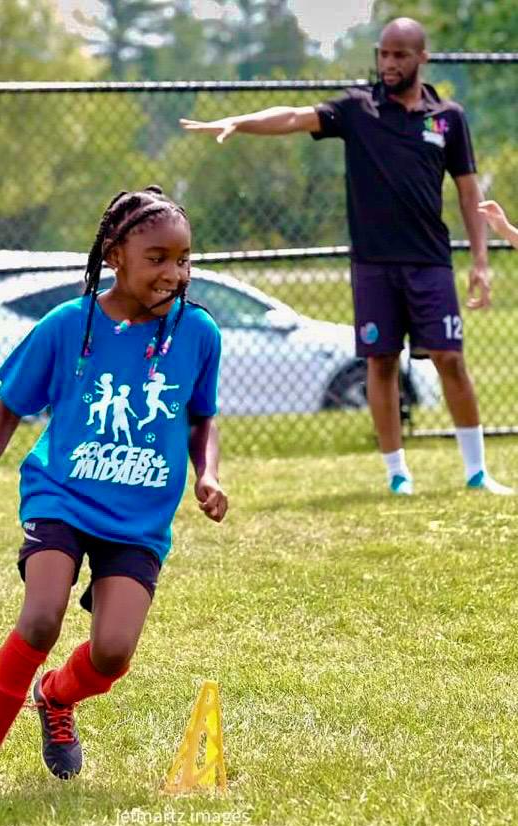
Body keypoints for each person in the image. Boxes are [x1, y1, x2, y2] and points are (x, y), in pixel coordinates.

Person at [0, 187, 228, 800]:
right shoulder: (68, 325)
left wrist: (208, 473)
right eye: (157, 258)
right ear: (116, 254)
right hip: (61, 496)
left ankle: (56, 695)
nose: (174, 273)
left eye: (184, 259)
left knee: (114, 653)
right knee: (40, 620)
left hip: (139, 516)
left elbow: (202, 419)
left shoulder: (198, 332)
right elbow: (5, 410)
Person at [180, 17, 511, 496]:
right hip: (373, 264)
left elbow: (467, 191)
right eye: (384, 54)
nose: (389, 63)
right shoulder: (358, 109)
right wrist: (240, 122)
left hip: (430, 261)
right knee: (380, 362)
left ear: (422, 58)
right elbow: (294, 117)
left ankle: (477, 471)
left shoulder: (448, 118)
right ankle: (398, 474)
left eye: (400, 55)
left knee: (448, 358)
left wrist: (480, 259)